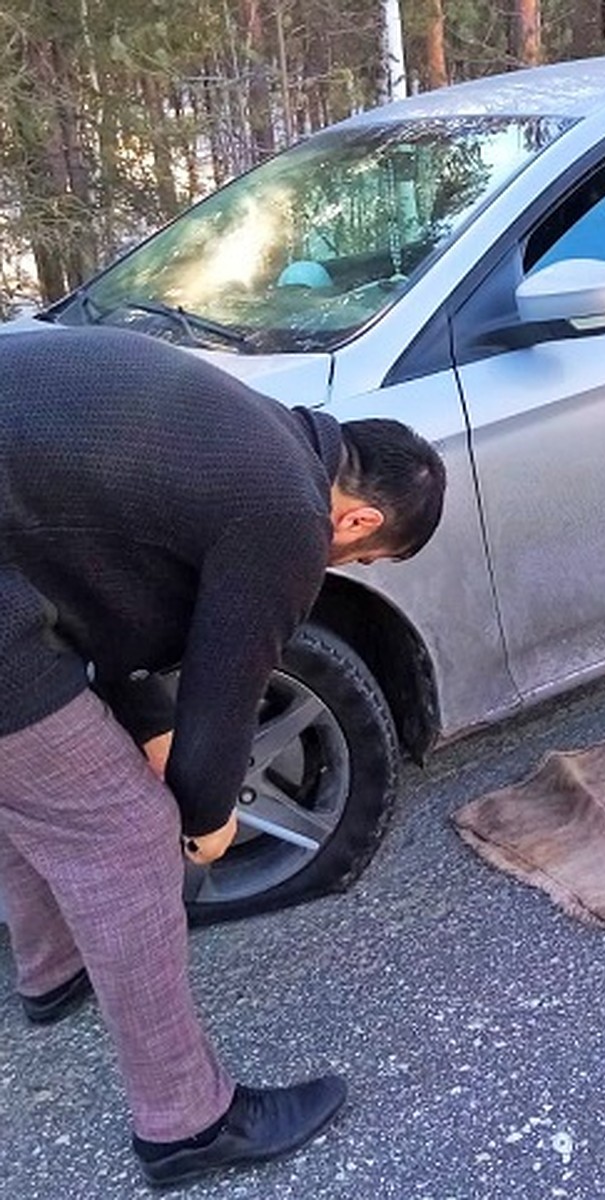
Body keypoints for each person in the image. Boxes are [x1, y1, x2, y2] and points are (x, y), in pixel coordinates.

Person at [0, 326, 446, 1185]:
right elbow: (226, 689)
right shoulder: (286, 509)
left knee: (35, 781)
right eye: (361, 556)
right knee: (123, 837)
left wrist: (144, 718)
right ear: (358, 517)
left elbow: (89, 581)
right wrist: (203, 817)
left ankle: (53, 971)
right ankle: (187, 1125)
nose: (339, 567)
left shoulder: (256, 429)